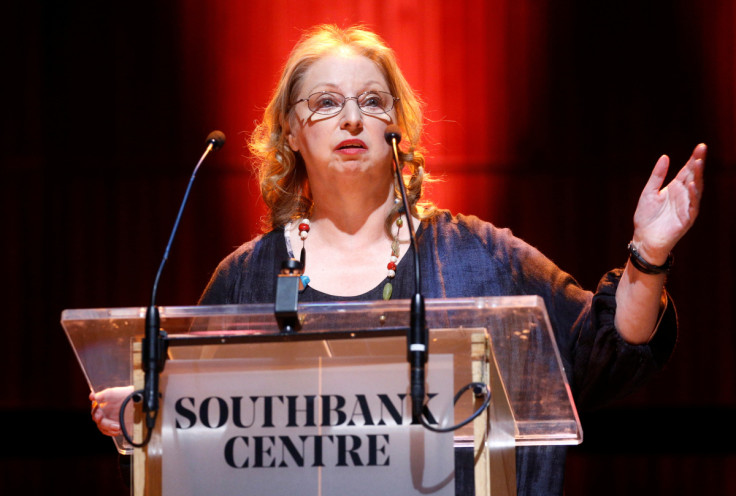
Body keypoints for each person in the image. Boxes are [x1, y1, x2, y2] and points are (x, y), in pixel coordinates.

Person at [90, 24, 706, 494]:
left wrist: (647, 258)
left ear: (397, 128)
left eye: (373, 101)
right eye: (326, 102)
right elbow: (198, 435)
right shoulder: (245, 279)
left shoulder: (477, 255)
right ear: (290, 132)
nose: (352, 117)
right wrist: (150, 413)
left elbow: (603, 352)